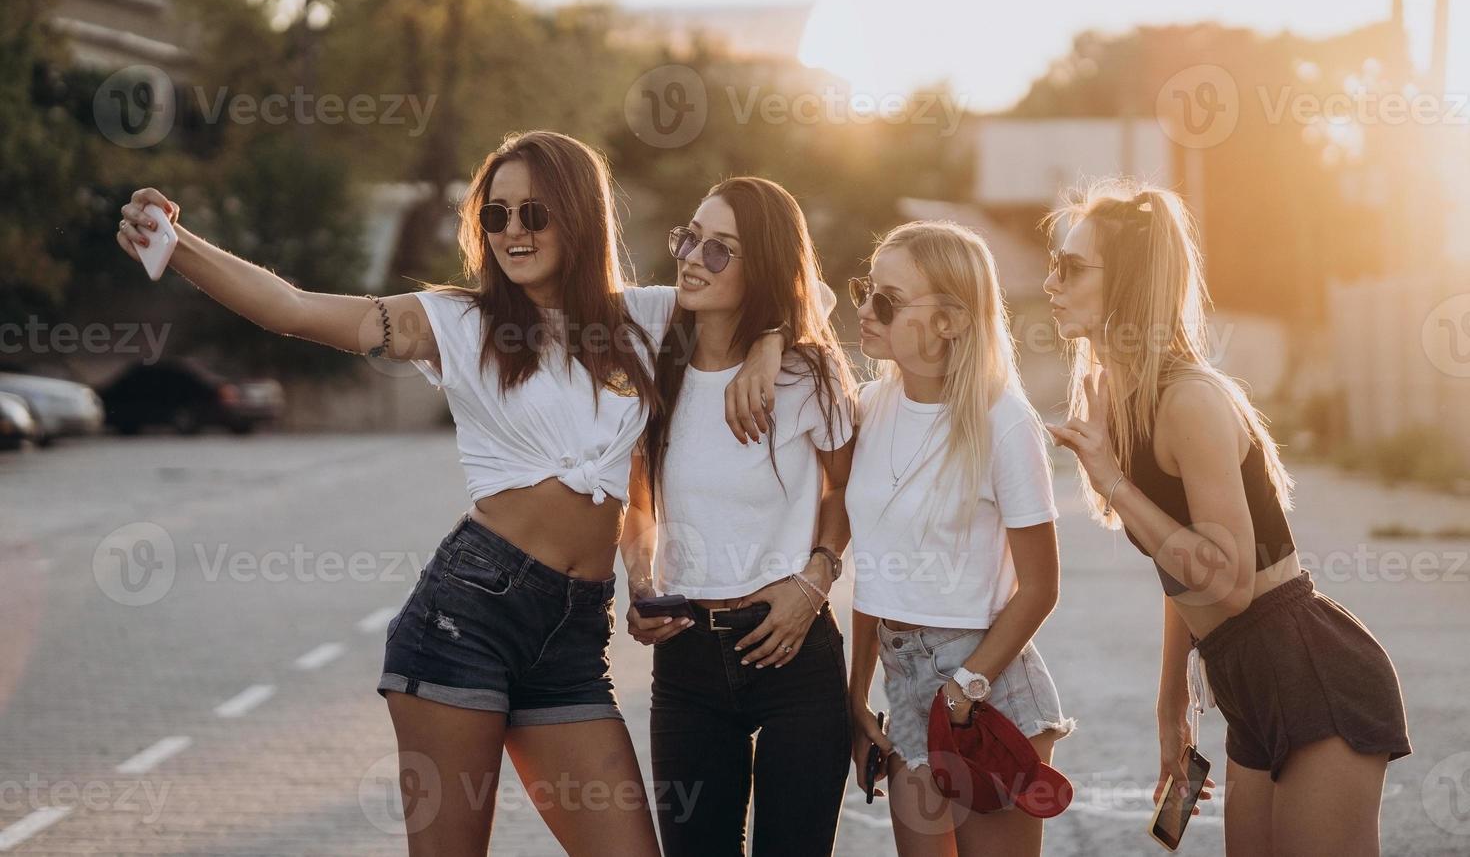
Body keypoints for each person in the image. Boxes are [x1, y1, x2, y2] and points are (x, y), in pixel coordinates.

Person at [115, 130, 791, 856]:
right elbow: (293, 307)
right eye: (495, 216)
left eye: (533, 213)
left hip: (572, 638)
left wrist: (770, 344)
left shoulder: (647, 319)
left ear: (579, 214)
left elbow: (773, 295)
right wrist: (179, 245)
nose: (511, 233)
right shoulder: (458, 322)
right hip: (467, 620)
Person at [1042, 180, 1411, 857]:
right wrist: (1170, 705)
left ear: (1127, 281)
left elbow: (1230, 581)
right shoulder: (1127, 402)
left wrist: (1114, 483)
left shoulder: (1189, 400)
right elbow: (1180, 569)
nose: (1050, 282)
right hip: (1246, 685)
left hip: (1314, 677)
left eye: (1070, 267)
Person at [621, 176, 858, 856]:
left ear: (763, 267)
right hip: (686, 659)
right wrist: (639, 584)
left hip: (793, 649)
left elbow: (846, 492)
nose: (694, 257)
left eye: (721, 249)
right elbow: (638, 504)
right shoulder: (654, 361)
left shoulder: (808, 377)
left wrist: (815, 580)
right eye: (689, 238)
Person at [845, 220, 1074, 857]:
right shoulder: (867, 407)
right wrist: (856, 698)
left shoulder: (1004, 419)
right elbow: (874, 573)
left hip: (986, 691)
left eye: (886, 301)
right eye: (866, 290)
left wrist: (965, 687)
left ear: (948, 321)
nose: (864, 309)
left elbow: (1042, 586)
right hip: (903, 682)